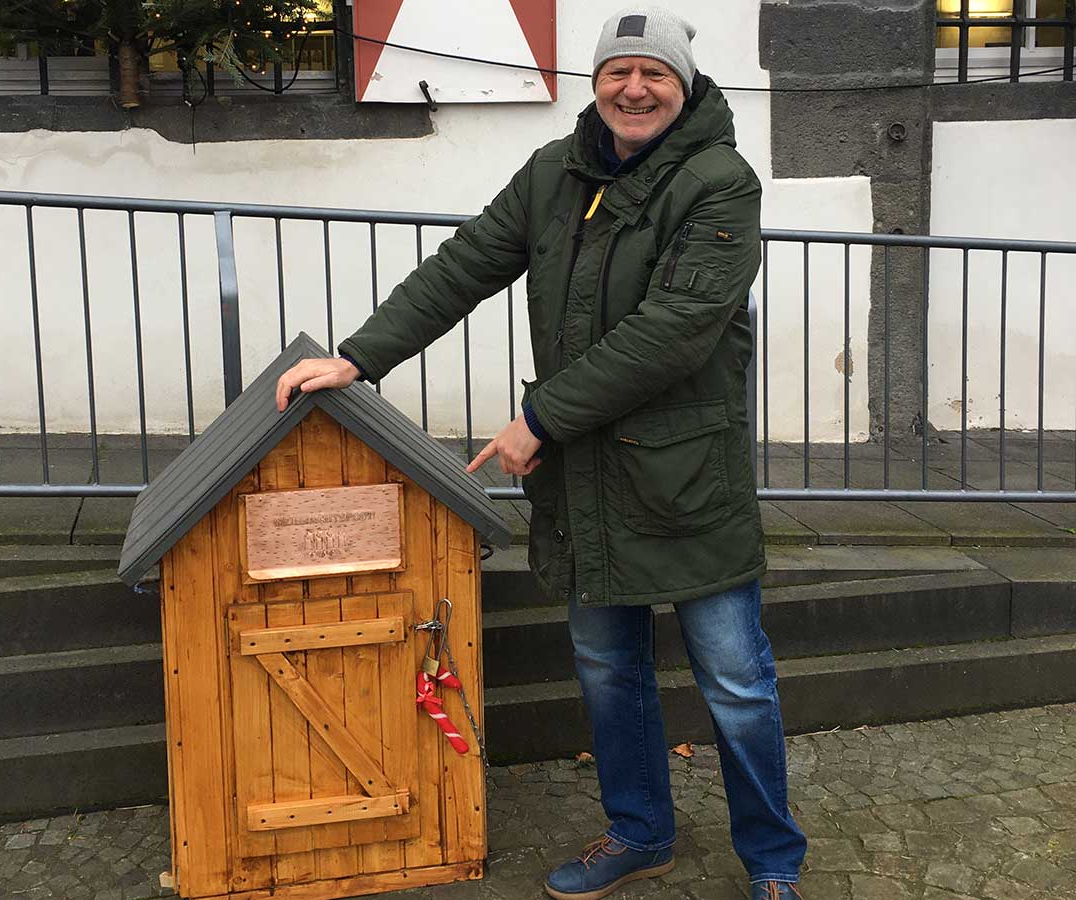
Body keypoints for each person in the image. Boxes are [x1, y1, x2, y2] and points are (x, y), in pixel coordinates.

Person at [275, 7, 807, 899]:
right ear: (595, 83)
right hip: (587, 479)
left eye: (655, 76)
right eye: (617, 73)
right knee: (608, 669)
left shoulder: (721, 182)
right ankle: (640, 833)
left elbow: (674, 332)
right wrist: (360, 355)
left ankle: (772, 863)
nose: (634, 90)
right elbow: (465, 265)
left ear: (683, 87)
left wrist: (538, 421)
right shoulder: (554, 173)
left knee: (735, 679)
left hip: (685, 478)